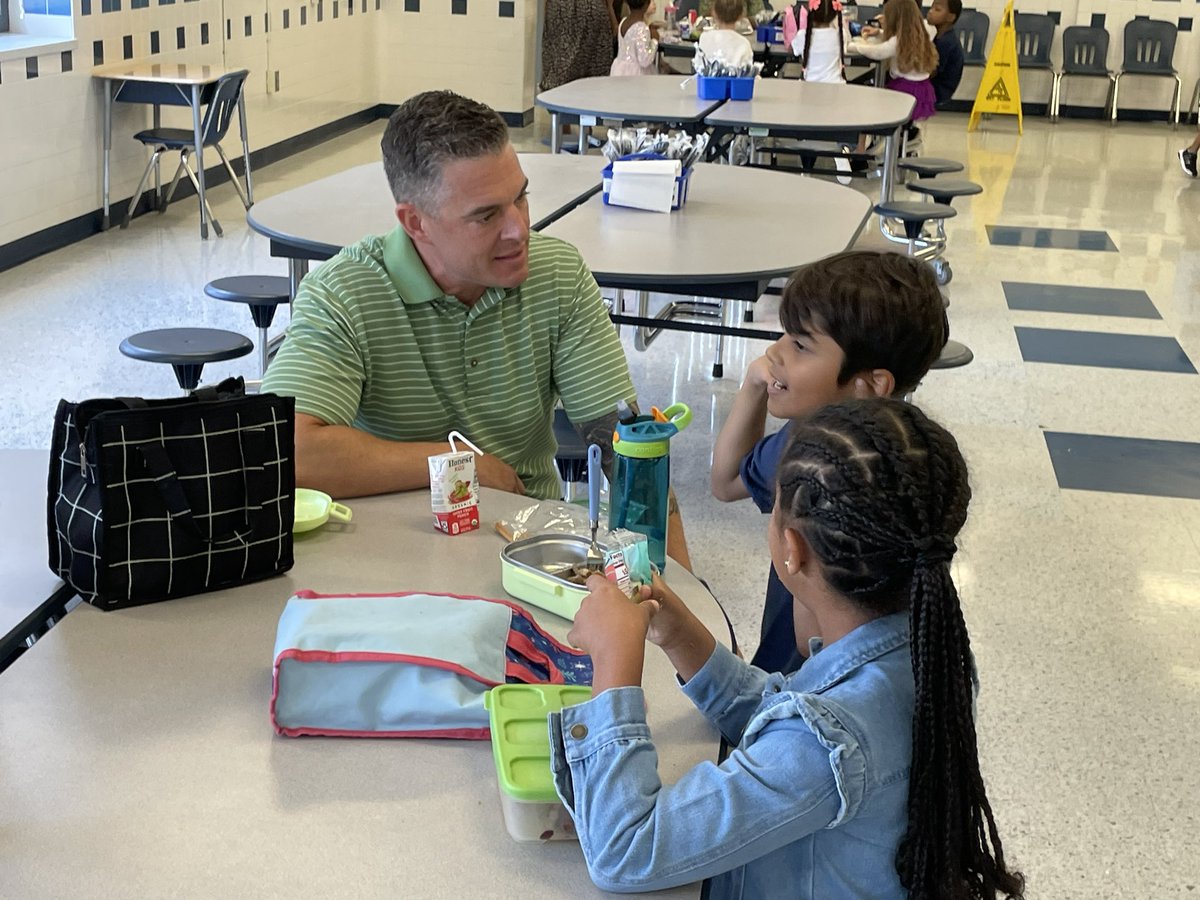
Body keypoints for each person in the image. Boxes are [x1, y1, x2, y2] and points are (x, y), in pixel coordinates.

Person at [553, 398, 1026, 898]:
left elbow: (625, 853)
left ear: (791, 549)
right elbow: (786, 714)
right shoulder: (922, 647)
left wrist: (614, 663)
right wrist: (677, 631)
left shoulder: (823, 745)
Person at [261, 91, 637, 506]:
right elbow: (285, 452)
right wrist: (459, 463)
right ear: (415, 222)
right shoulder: (345, 293)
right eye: (486, 215)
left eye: (520, 198)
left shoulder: (558, 275)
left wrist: (673, 571)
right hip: (389, 546)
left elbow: (631, 452)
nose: (520, 230)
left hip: (525, 542)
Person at [710, 251, 947, 673]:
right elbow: (727, 481)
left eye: (801, 345)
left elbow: (814, 639)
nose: (776, 351)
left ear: (871, 384)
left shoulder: (850, 475)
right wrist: (754, 384)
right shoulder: (811, 437)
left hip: (815, 686)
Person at [848, 0, 939, 123]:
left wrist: (851, 46)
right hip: (923, 88)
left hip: (905, 89)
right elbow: (902, 38)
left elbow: (877, 52)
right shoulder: (926, 31)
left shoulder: (896, 43)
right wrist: (879, 32)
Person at [697, 0, 755, 69]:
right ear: (740, 16)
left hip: (708, 80)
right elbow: (747, 73)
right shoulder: (744, 44)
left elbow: (698, 67)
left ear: (713, 13)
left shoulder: (704, 38)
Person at [927, 0, 964, 107]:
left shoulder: (946, 42)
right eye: (931, 8)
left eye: (937, 10)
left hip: (938, 91)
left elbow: (931, 72)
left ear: (950, 17)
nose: (930, 12)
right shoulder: (940, 36)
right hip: (935, 85)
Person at [611, 0, 660, 76]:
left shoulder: (623, 22)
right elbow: (645, 60)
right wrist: (654, 40)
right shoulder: (641, 28)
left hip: (619, 70)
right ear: (647, 3)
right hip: (636, 74)